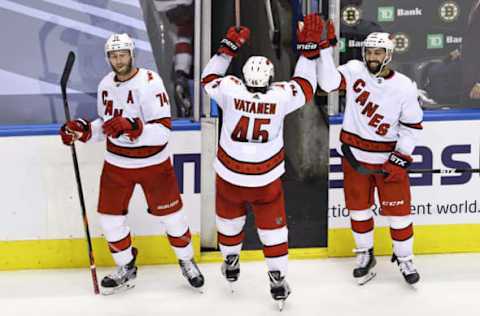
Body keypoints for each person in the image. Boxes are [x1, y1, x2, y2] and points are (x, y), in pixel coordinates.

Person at [59, 33, 204, 294]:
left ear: (132, 54)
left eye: (122, 54)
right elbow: (107, 126)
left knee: (172, 217)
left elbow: (163, 130)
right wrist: (83, 130)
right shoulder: (105, 85)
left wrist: (134, 127)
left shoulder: (149, 82)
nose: (118, 60)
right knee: (109, 220)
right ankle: (126, 266)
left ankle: (186, 260)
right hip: (117, 165)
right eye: (113, 56)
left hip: (153, 164)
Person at [201, 13, 321, 308]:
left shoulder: (230, 89)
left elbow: (208, 79)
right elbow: (306, 86)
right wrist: (308, 53)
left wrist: (227, 47)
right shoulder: (280, 96)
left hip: (230, 177)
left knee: (229, 223)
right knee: (273, 231)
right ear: (269, 79)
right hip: (266, 182)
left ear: (245, 77)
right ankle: (278, 278)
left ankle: (230, 260)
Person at [316, 23, 423, 285]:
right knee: (359, 211)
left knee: (399, 215)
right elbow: (328, 82)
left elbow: (411, 127)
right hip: (355, 160)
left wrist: (400, 157)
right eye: (369, 52)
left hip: (388, 162)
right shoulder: (353, 71)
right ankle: (365, 254)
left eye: (378, 52)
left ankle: (405, 257)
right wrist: (324, 49)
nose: (372, 57)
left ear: (388, 55)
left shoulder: (405, 86)